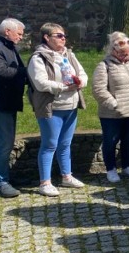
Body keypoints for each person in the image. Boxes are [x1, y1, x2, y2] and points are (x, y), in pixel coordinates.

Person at [28, 23, 88, 197]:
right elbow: (40, 82)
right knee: (50, 144)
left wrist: (80, 82)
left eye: (64, 36)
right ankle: (45, 183)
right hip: (51, 107)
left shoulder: (69, 54)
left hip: (71, 105)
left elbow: (82, 73)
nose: (63, 39)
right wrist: (63, 87)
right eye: (59, 36)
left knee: (65, 144)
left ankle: (66, 176)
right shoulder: (38, 58)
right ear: (47, 37)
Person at [92, 31, 129, 183]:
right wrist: (114, 103)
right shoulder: (104, 66)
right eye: (121, 53)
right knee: (111, 141)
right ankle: (111, 169)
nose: (124, 56)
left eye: (127, 53)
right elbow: (98, 89)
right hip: (112, 114)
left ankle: (127, 166)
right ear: (113, 51)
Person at [0, 18, 27, 197]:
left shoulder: (10, 47)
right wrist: (26, 72)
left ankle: (5, 176)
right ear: (7, 32)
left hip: (9, 101)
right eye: (19, 33)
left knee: (8, 142)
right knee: (4, 143)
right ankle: (0, 182)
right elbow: (1, 72)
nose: (21, 37)